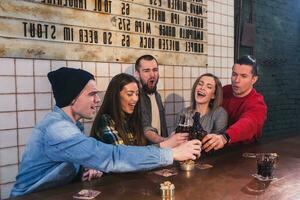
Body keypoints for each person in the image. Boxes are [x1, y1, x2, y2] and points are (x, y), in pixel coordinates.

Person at [10, 67, 201, 197]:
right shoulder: (57, 129)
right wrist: (172, 153)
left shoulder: (72, 124)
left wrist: (87, 167)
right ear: (72, 98)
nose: (97, 100)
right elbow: (114, 156)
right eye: (92, 94)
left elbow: (68, 161)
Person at [90, 73, 188, 148]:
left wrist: (168, 139)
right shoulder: (105, 120)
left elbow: (144, 145)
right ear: (115, 96)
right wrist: (166, 144)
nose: (135, 99)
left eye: (137, 94)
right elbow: (123, 155)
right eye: (129, 94)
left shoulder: (132, 118)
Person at [202, 55, 267, 152]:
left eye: (243, 76)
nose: (236, 80)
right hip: (218, 150)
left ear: (253, 79)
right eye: (234, 74)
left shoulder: (257, 103)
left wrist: (225, 137)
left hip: (244, 153)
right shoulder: (225, 90)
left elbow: (248, 123)